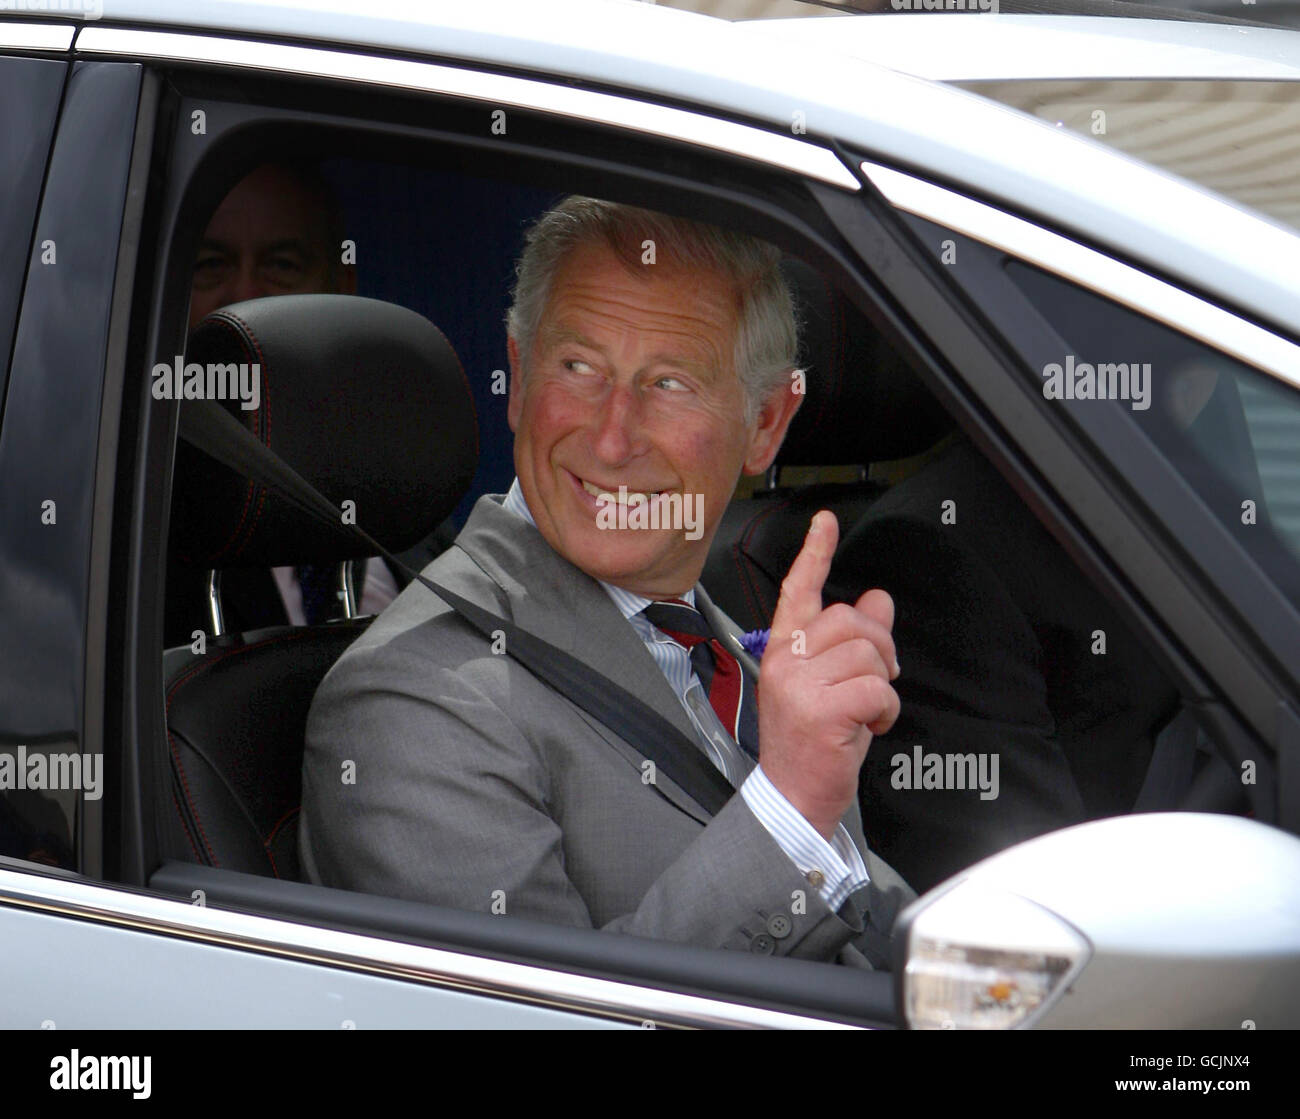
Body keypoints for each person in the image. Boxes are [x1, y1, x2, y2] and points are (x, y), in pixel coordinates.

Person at [300, 196, 915, 968]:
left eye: (670, 383)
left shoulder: (719, 648)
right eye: (579, 366)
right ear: (519, 379)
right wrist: (789, 807)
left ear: (766, 424)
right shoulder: (413, 702)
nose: (613, 434)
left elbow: (874, 937)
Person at [183, 160, 400, 627]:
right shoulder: (130, 516)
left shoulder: (403, 503)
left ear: (341, 288)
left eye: (281, 266)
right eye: (210, 265)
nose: (242, 293)